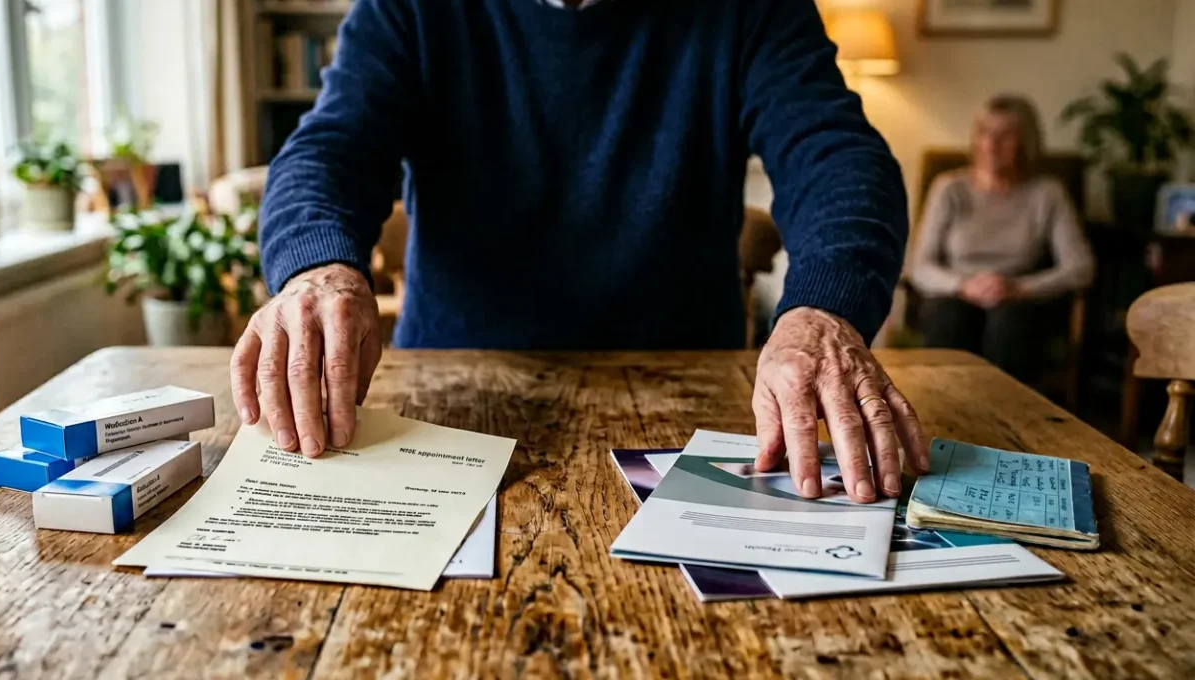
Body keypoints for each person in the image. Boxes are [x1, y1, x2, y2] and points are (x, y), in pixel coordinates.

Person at [231, 0, 929, 504]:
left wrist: (823, 310)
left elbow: (837, 157)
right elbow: (331, 149)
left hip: (692, 405)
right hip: (454, 397)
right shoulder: (408, 9)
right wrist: (317, 267)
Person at [911, 95, 1095, 382]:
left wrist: (1020, 288)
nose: (991, 145)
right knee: (949, 316)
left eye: (1005, 135)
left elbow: (1081, 268)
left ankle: (1004, 420)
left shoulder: (1047, 193)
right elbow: (919, 266)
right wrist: (963, 286)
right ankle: (943, 414)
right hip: (956, 293)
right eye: (984, 132)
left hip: (1018, 299)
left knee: (1009, 322)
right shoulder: (949, 188)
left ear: (1026, 143)